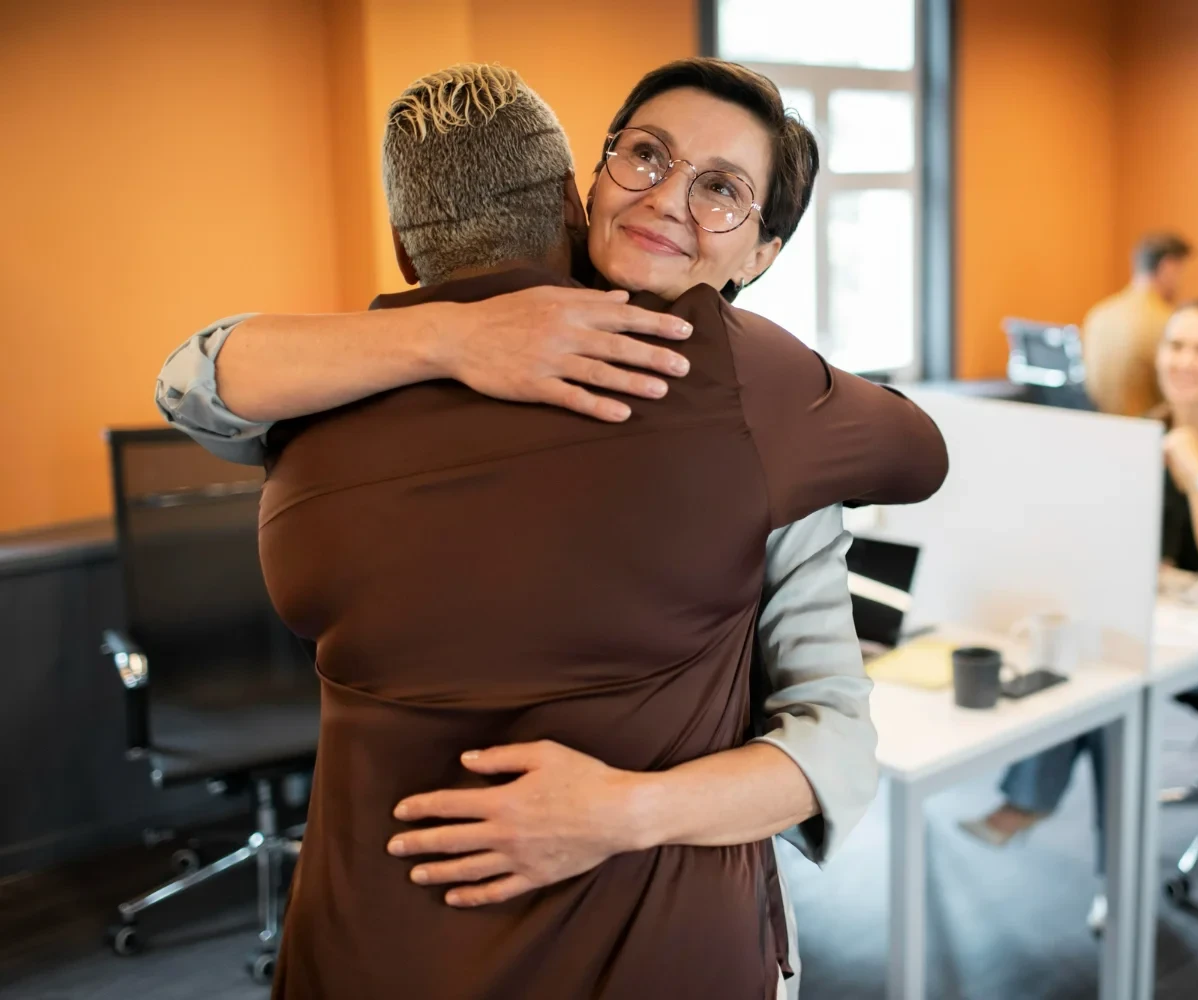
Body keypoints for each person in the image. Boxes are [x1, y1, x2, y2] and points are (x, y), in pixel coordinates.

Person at [194, 60, 946, 999]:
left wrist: (625, 812)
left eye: (721, 188)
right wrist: (452, 337)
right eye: (647, 155)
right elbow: (196, 384)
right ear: (583, 186)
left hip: (639, 933)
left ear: (761, 253)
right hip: (388, 941)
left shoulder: (772, 422)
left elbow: (833, 741)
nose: (666, 197)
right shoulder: (378, 373)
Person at [962, 298, 1198, 932]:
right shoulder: (1147, 429)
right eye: (1176, 346)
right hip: (1161, 623)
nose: (1185, 361)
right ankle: (1109, 870)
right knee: (1090, 667)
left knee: (1114, 697)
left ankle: (1049, 816)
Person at [1081, 231, 1193, 417]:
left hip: (1102, 425)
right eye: (1180, 272)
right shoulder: (1168, 322)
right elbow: (1180, 391)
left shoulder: (1099, 315)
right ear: (1167, 267)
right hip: (1147, 427)